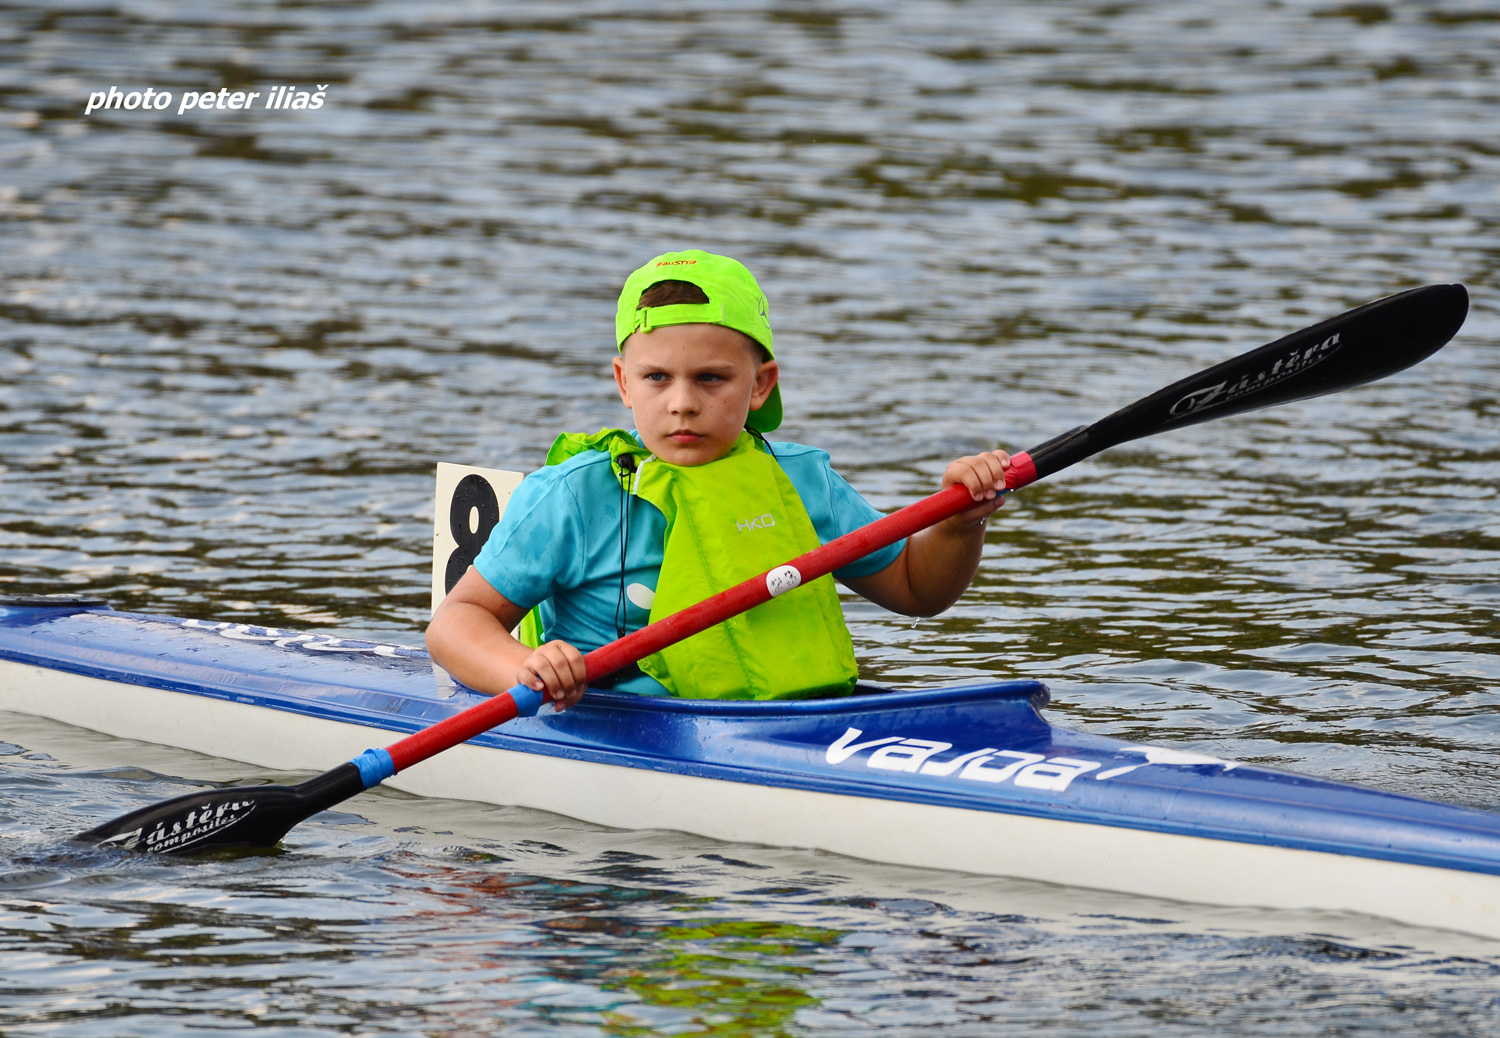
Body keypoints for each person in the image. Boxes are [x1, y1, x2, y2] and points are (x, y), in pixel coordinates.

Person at [426, 250, 1010, 710]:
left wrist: (960, 524)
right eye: (657, 377)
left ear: (760, 385)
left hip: (790, 722)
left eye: (710, 378)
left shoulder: (803, 482)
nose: (682, 403)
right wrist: (523, 669)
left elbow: (915, 590)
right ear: (624, 382)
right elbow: (455, 624)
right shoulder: (572, 495)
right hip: (619, 723)